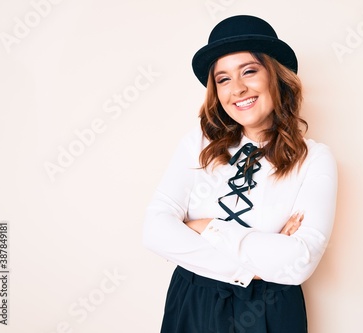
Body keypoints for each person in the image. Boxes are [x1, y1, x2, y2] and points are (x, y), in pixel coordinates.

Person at [143, 14, 337, 333]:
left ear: (275, 76)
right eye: (223, 79)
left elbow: (299, 261)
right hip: (193, 303)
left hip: (270, 311)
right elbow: (154, 230)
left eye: (249, 71)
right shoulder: (198, 143)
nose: (238, 89)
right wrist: (257, 266)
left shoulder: (315, 158)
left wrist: (206, 228)